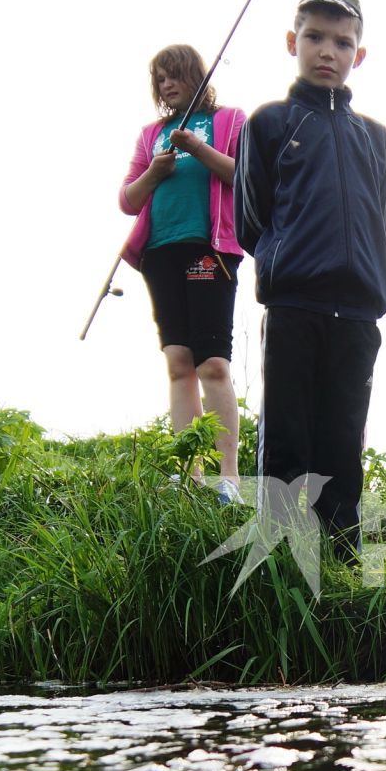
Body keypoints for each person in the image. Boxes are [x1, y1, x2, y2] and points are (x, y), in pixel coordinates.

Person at [234, 0, 386, 562]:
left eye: (343, 42)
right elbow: (250, 218)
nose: (328, 51)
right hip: (294, 307)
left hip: (357, 315)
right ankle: (275, 563)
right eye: (315, 37)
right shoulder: (270, 123)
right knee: (285, 441)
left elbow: (381, 219)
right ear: (292, 41)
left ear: (359, 54)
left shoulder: (377, 138)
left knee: (342, 444)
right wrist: (290, 263)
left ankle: (341, 564)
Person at [119, 45, 247, 501]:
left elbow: (245, 179)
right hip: (159, 252)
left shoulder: (229, 120)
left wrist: (197, 147)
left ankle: (228, 476)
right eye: (160, 79)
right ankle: (187, 472)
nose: (167, 85)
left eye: (174, 75)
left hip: (209, 248)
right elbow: (129, 200)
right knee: (177, 363)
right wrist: (154, 172)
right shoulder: (151, 134)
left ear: (195, 75)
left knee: (211, 362)